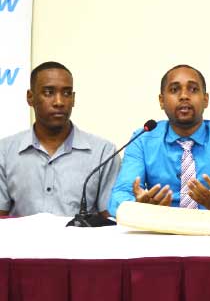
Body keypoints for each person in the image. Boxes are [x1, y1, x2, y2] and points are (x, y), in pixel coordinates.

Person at [107, 65, 210, 216]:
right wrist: (137, 207)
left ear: (205, 99)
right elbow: (119, 197)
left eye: (193, 89)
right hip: (158, 234)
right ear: (161, 101)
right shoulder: (142, 140)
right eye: (174, 90)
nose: (184, 96)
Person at [0, 61, 120, 217]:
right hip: (21, 242)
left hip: (84, 242)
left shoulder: (103, 152)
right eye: (49, 92)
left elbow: (110, 221)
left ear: (74, 99)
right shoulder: (5, 151)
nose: (59, 102)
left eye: (66, 93)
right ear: (30, 98)